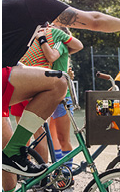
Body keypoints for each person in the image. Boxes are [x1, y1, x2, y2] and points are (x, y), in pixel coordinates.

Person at [1, 0, 120, 179]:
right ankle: (16, 151)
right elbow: (95, 20)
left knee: (6, 172)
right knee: (59, 81)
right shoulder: (32, 1)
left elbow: (6, 56)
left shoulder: (12, 7)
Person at [19, 23, 83, 161]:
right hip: (49, 95)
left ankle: (67, 173)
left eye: (53, 29)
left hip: (62, 98)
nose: (49, 30)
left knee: (62, 138)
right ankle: (56, 170)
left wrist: (42, 39)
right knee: (51, 138)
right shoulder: (48, 46)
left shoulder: (59, 43)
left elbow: (51, 57)